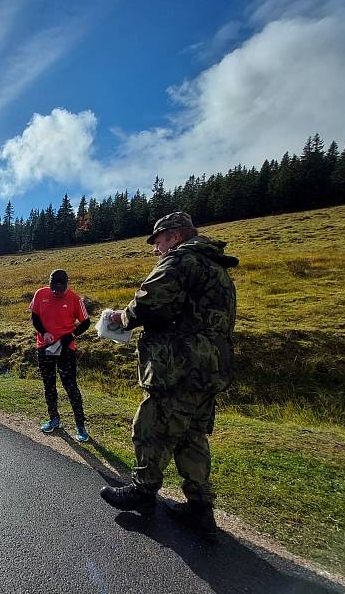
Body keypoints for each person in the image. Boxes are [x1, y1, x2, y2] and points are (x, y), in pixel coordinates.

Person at [100, 211, 238, 542]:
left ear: (174, 236)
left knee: (152, 425)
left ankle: (142, 490)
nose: (155, 249)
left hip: (179, 365)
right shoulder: (217, 269)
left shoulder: (182, 261)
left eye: (158, 241)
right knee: (192, 435)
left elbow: (150, 303)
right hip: (209, 368)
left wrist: (122, 316)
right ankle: (200, 509)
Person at [29, 269, 92, 442]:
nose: (56, 292)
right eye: (53, 289)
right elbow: (34, 317)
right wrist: (43, 332)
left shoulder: (75, 299)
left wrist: (70, 336)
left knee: (70, 386)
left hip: (65, 349)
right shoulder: (40, 294)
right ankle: (54, 419)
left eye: (60, 289)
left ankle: (80, 425)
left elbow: (86, 323)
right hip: (44, 347)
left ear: (66, 285)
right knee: (49, 385)